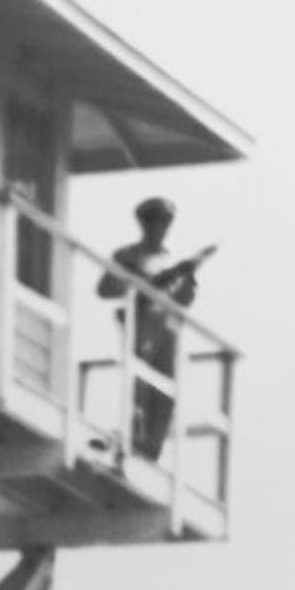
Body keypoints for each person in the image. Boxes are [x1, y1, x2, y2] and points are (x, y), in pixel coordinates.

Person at [95, 197, 211, 461]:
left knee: (165, 395)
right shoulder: (128, 255)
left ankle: (151, 451)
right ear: (143, 223)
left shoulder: (169, 258)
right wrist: (153, 281)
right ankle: (133, 443)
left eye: (165, 221)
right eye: (154, 220)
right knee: (140, 389)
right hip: (140, 326)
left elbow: (183, 301)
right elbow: (106, 289)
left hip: (167, 331)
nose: (160, 226)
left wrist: (187, 278)